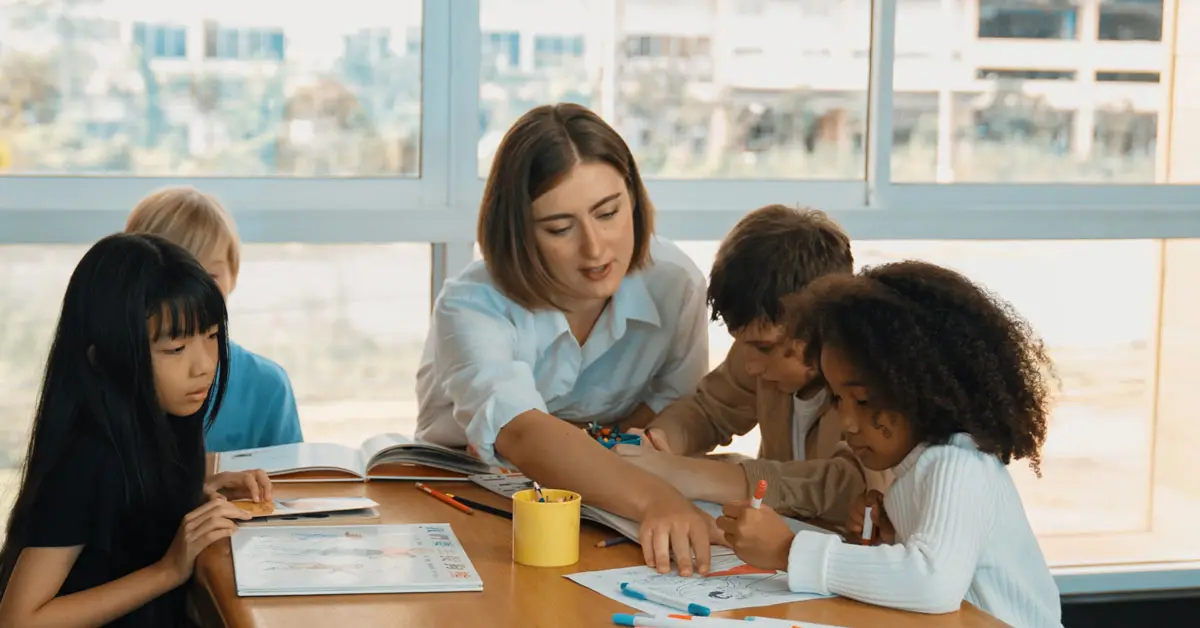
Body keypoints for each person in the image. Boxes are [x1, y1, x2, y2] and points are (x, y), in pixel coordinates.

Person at [416, 103, 715, 575]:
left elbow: (677, 408)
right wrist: (655, 497)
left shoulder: (675, 283)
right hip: (470, 495)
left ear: (634, 198)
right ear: (517, 232)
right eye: (560, 228)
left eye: (609, 213)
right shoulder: (471, 303)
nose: (595, 248)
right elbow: (520, 431)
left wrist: (628, 460)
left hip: (610, 501)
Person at [715, 261, 1063, 628]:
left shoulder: (957, 464)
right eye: (836, 399)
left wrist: (789, 551)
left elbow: (931, 583)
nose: (847, 423)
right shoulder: (913, 470)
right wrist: (890, 539)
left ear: (924, 391)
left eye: (863, 401)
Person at [0, 233, 272, 627]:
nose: (203, 366)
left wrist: (195, 493)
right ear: (106, 359)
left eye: (212, 336)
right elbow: (19, 620)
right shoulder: (88, 456)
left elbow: (121, 527)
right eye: (175, 349)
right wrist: (168, 570)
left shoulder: (164, 418)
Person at [616, 205, 889, 524]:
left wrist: (691, 473)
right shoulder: (759, 352)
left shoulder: (871, 384)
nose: (750, 364)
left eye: (763, 347)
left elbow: (848, 483)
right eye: (740, 342)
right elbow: (709, 410)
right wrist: (660, 441)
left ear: (824, 326)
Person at [125, 187, 303, 452]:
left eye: (211, 276)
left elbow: (293, 485)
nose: (196, 291)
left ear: (234, 275)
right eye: (177, 277)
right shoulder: (113, 379)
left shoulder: (267, 385)